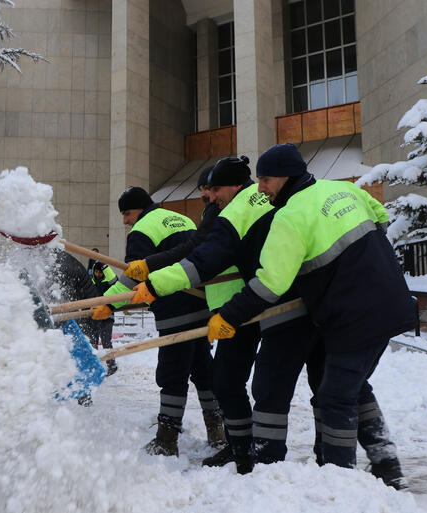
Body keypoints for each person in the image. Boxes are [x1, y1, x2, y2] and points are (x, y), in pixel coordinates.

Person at [208, 143, 413, 486]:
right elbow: (380, 216)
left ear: (286, 177)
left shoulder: (290, 216)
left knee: (335, 395)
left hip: (354, 314)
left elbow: (270, 284)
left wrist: (228, 316)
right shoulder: (344, 189)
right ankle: (386, 465)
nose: (260, 188)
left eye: (266, 180)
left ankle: (340, 481)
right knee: (351, 386)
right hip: (391, 299)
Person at [125, 157, 279, 473]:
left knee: (196, 374)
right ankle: (234, 445)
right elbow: (200, 250)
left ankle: (248, 455)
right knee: (220, 376)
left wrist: (148, 280)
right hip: (230, 303)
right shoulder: (180, 217)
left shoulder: (231, 211)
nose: (208, 196)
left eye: (212, 189)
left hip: (242, 301)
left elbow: (201, 256)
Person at [92, 186, 220, 457]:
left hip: (174, 309)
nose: (125, 221)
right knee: (203, 371)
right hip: (200, 305)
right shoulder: (180, 219)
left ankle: (166, 439)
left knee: (172, 374)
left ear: (139, 208)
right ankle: (217, 431)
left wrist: (108, 302)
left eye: (127, 214)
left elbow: (132, 277)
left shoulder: (143, 230)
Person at [47, 249, 118, 376]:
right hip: (92, 313)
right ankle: (94, 364)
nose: (97, 274)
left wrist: (104, 266)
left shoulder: (108, 282)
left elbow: (115, 281)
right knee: (93, 343)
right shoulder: (91, 280)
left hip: (105, 315)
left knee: (105, 341)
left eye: (99, 272)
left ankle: (110, 365)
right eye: (96, 272)